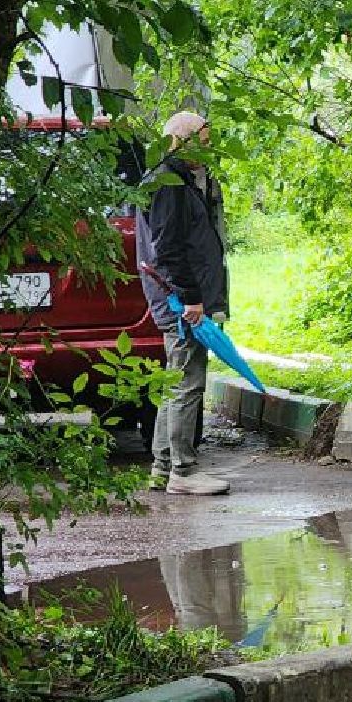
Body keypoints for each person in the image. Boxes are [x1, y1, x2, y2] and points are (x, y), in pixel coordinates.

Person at [134, 110, 231, 495]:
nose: (210, 149)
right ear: (183, 140)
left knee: (175, 378)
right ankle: (183, 471)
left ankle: (161, 467)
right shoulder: (169, 182)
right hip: (180, 301)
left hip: (178, 297)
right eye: (205, 142)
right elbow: (168, 249)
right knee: (187, 381)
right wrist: (191, 298)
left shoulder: (176, 179)